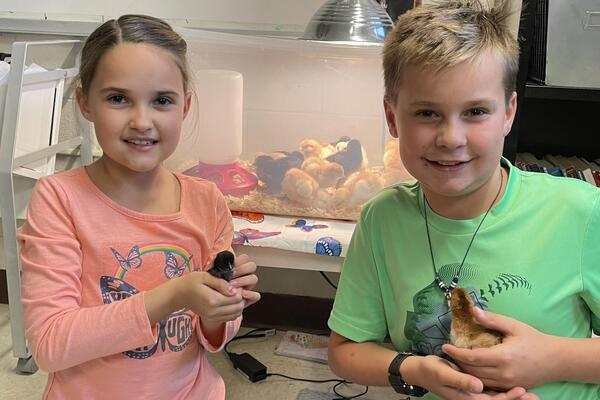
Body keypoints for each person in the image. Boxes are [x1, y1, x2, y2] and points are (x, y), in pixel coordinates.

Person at [327, 0, 600, 399]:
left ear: (508, 113)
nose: (451, 138)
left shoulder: (581, 211)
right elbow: (345, 351)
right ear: (392, 118)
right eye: (426, 113)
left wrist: (551, 359)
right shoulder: (381, 219)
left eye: (475, 111)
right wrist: (414, 368)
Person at [18, 14, 260, 399]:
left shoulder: (206, 200)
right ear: (85, 102)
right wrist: (174, 294)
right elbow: (49, 343)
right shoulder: (59, 199)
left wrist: (222, 308)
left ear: (185, 106)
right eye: (118, 99)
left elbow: (212, 335)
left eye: (162, 100)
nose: (142, 121)